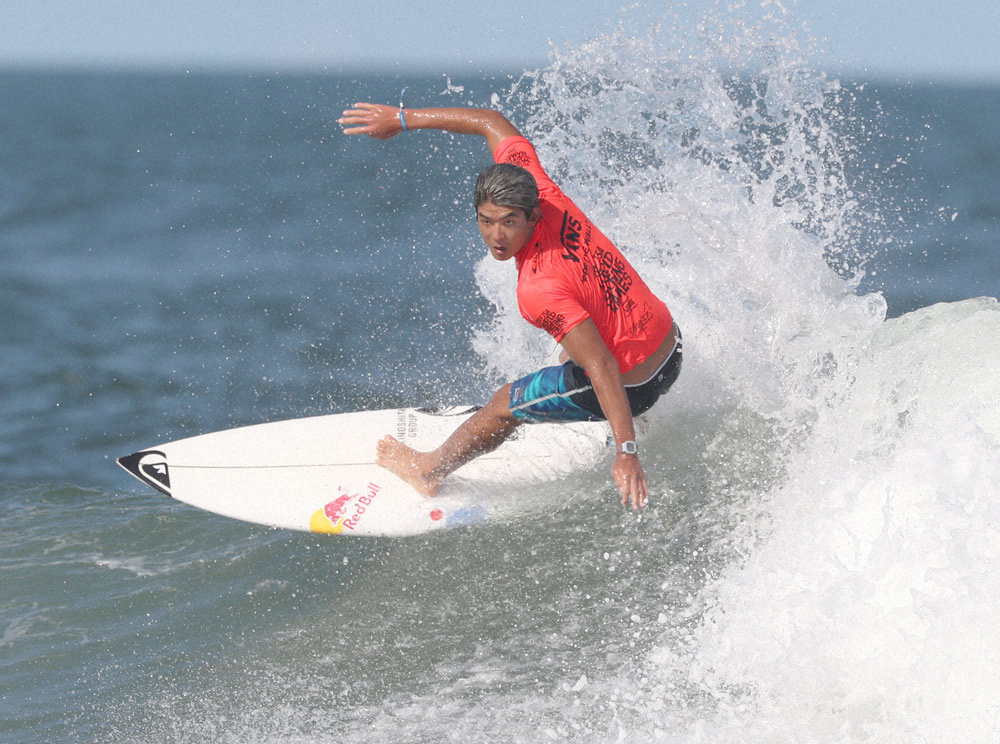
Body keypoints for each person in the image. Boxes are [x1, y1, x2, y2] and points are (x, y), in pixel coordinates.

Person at [338, 102, 682, 509]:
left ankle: (428, 470)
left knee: (505, 404)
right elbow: (490, 122)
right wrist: (402, 119)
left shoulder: (539, 288)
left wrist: (626, 452)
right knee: (574, 339)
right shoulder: (540, 187)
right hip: (672, 347)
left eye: (508, 222)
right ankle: (616, 416)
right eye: (485, 220)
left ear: (532, 216)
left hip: (637, 386)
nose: (496, 236)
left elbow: (602, 365)